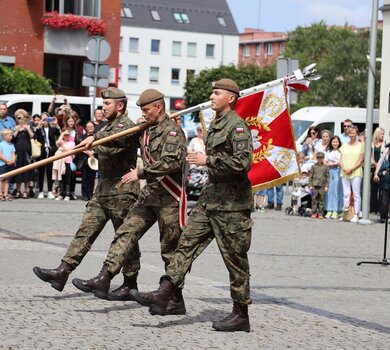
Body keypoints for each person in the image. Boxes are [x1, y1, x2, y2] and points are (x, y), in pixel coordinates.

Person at [130, 79, 253, 332]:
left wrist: (209, 160)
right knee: (185, 244)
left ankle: (241, 314)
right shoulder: (217, 124)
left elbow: (243, 163)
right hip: (210, 201)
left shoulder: (237, 127)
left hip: (232, 206)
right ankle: (166, 293)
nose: (211, 96)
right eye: (212, 92)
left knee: (235, 260)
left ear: (230, 98)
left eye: (216, 93)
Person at [71, 88, 187, 304]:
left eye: (146, 110)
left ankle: (175, 299)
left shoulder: (172, 132)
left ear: (158, 107)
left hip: (169, 198)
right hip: (150, 195)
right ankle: (104, 277)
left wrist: (141, 172)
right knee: (125, 233)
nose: (144, 114)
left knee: (169, 249)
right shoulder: (147, 130)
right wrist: (95, 141)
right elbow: (119, 140)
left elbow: (172, 162)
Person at [33, 87, 141, 294]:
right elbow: (101, 139)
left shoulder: (126, 126)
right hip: (103, 189)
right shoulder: (107, 126)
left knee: (125, 239)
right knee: (85, 231)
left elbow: (113, 143)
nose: (103, 108)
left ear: (120, 105)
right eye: (102, 104)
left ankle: (130, 282)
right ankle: (63, 271)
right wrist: (91, 138)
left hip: (123, 190)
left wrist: (93, 141)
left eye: (107, 104)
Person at [340, 125, 364, 223]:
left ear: (356, 133)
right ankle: (346, 214)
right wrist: (345, 168)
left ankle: (356, 214)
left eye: (353, 133)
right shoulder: (344, 145)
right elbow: (340, 160)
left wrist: (351, 168)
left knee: (356, 194)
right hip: (344, 171)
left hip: (356, 171)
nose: (352, 135)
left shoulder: (361, 145)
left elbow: (361, 159)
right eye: (350, 133)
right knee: (346, 193)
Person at [35, 112, 61, 199]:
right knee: (41, 172)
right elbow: (36, 136)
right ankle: (41, 191)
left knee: (50, 171)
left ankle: (50, 190)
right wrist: (39, 124)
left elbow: (59, 133)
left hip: (51, 151)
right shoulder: (39, 129)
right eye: (43, 119)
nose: (45, 121)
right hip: (41, 151)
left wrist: (56, 124)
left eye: (46, 119)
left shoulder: (52, 129)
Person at [12, 109, 35, 199]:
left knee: (27, 171)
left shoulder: (29, 126)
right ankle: (17, 190)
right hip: (18, 152)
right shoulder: (15, 127)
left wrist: (27, 129)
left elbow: (33, 136)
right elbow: (12, 139)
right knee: (18, 171)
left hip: (27, 153)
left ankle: (26, 191)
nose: (20, 119)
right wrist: (17, 130)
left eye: (22, 117)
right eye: (18, 117)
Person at [324, 136, 343, 219]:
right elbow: (325, 161)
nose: (335, 143)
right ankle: (328, 209)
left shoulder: (341, 151)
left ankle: (336, 210)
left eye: (336, 142)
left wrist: (332, 163)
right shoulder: (328, 151)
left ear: (339, 143)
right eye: (333, 142)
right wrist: (329, 164)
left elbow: (340, 162)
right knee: (328, 190)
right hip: (329, 171)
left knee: (336, 190)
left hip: (338, 171)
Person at [79, 121, 97, 201]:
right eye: (88, 127)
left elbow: (99, 146)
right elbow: (80, 147)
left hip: (94, 159)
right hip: (85, 159)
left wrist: (93, 152)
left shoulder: (96, 136)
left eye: (91, 127)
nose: (90, 128)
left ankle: (90, 194)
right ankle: (84, 194)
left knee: (92, 178)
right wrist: (89, 153)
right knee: (85, 177)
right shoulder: (82, 137)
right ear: (86, 128)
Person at [309, 152, 329, 219]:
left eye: (321, 157)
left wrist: (327, 186)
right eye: (318, 158)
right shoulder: (313, 166)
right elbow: (310, 177)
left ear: (323, 158)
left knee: (321, 200)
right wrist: (310, 185)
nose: (320, 159)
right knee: (314, 199)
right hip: (315, 185)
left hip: (322, 186)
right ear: (316, 158)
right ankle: (314, 212)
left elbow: (327, 177)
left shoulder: (326, 167)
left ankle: (320, 213)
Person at [370, 127, 385, 213]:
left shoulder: (385, 144)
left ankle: (380, 209)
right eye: (380, 134)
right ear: (376, 134)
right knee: (373, 189)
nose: (382, 135)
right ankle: (373, 208)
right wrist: (374, 163)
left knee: (382, 190)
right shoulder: (372, 144)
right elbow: (370, 156)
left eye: (383, 134)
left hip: (382, 169)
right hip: (373, 168)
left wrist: (379, 165)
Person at [0, 129, 16, 200]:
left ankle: (6, 194)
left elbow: (13, 154)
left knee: (7, 180)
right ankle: (0, 194)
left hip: (10, 164)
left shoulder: (11, 145)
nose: (11, 137)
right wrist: (6, 160)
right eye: (10, 136)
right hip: (2, 164)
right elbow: (0, 155)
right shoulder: (1, 144)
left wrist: (13, 160)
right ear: (4, 136)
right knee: (1, 179)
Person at [378, 148, 390, 223]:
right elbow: (379, 172)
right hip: (385, 185)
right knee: (384, 201)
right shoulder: (385, 163)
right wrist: (382, 173)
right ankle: (382, 216)